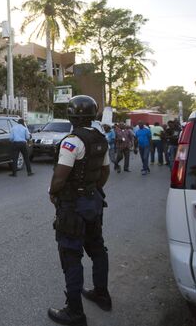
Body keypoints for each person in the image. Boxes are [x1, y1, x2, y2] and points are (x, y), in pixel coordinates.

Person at [47, 95, 111, 326]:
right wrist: (92, 190)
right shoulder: (100, 139)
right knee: (97, 249)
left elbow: (60, 176)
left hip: (73, 207)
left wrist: (52, 193)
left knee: (70, 256)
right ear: (93, 115)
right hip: (93, 202)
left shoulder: (72, 141)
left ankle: (75, 312)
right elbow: (105, 172)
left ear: (70, 115)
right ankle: (102, 294)